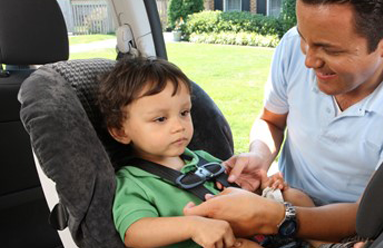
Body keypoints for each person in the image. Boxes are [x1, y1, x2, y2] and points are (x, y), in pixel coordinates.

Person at [183, 0, 383, 244]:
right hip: (284, 198)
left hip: (354, 230)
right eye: (305, 39)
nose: (309, 60)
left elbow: (368, 214)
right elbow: (272, 121)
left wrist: (275, 217)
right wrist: (259, 154)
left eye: (330, 50)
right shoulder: (294, 46)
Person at [98, 57, 314, 248]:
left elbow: (240, 197)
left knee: (295, 197)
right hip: (220, 242)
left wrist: (261, 189)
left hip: (252, 228)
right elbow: (135, 233)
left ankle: (328, 244)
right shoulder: (134, 181)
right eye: (160, 119)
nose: (179, 126)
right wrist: (192, 226)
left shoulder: (202, 159)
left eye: (184, 112)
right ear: (120, 131)